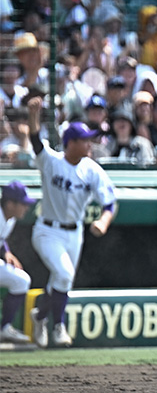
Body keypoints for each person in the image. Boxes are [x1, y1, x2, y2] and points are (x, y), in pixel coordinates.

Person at [26, 97, 116, 348]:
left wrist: (104, 221)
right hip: (47, 230)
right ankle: (58, 325)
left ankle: (40, 316)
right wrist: (33, 116)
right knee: (64, 274)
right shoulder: (52, 161)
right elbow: (35, 142)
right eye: (85, 139)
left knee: (61, 281)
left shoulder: (92, 169)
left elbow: (109, 202)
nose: (90, 143)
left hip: (75, 233)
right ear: (71, 142)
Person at [0, 181, 36, 344]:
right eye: (22, 204)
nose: (26, 208)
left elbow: (2, 239)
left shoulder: (9, 218)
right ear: (9, 204)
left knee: (21, 280)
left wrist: (6, 251)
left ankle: (5, 328)